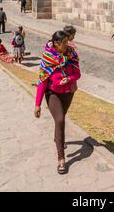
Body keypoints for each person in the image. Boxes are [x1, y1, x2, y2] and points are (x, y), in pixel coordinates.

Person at [34, 29, 81, 174]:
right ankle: (61, 159)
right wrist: (37, 104)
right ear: (56, 43)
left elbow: (77, 73)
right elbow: (42, 81)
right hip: (52, 93)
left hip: (68, 93)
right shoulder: (47, 57)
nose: (68, 44)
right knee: (60, 120)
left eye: (68, 41)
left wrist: (70, 79)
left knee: (59, 121)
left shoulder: (71, 54)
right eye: (65, 42)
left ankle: (58, 139)